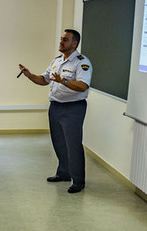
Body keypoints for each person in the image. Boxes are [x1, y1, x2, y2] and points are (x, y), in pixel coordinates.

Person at [18, 28, 92, 193]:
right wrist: (29, 75)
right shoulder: (57, 61)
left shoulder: (82, 62)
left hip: (73, 108)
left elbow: (82, 86)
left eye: (65, 40)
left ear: (74, 43)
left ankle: (78, 181)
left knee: (73, 145)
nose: (61, 42)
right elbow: (44, 80)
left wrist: (64, 81)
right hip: (55, 107)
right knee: (59, 143)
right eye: (61, 39)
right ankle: (64, 173)